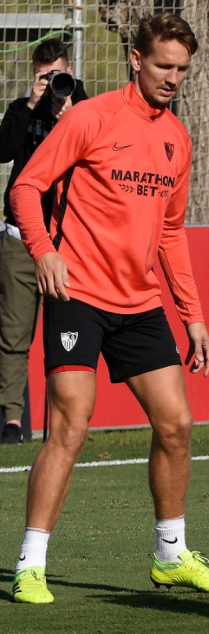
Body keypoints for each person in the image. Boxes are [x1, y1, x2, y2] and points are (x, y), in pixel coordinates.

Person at [8, 14, 209, 604]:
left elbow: (172, 232)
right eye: (164, 66)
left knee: (177, 424)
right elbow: (26, 187)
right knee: (70, 425)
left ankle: (170, 557)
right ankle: (31, 564)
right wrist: (44, 252)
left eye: (183, 70)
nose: (174, 79)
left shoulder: (178, 139)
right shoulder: (91, 116)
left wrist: (194, 315)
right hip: (77, 293)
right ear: (136, 60)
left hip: (138, 303)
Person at [0, 38, 89, 445]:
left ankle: (69, 422)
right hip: (20, 238)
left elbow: (94, 157)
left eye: (58, 75)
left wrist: (69, 112)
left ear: (70, 73)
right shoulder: (21, 110)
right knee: (14, 335)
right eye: (44, 77)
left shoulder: (82, 108)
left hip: (66, 241)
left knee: (67, 336)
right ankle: (12, 421)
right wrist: (32, 105)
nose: (52, 82)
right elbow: (3, 151)